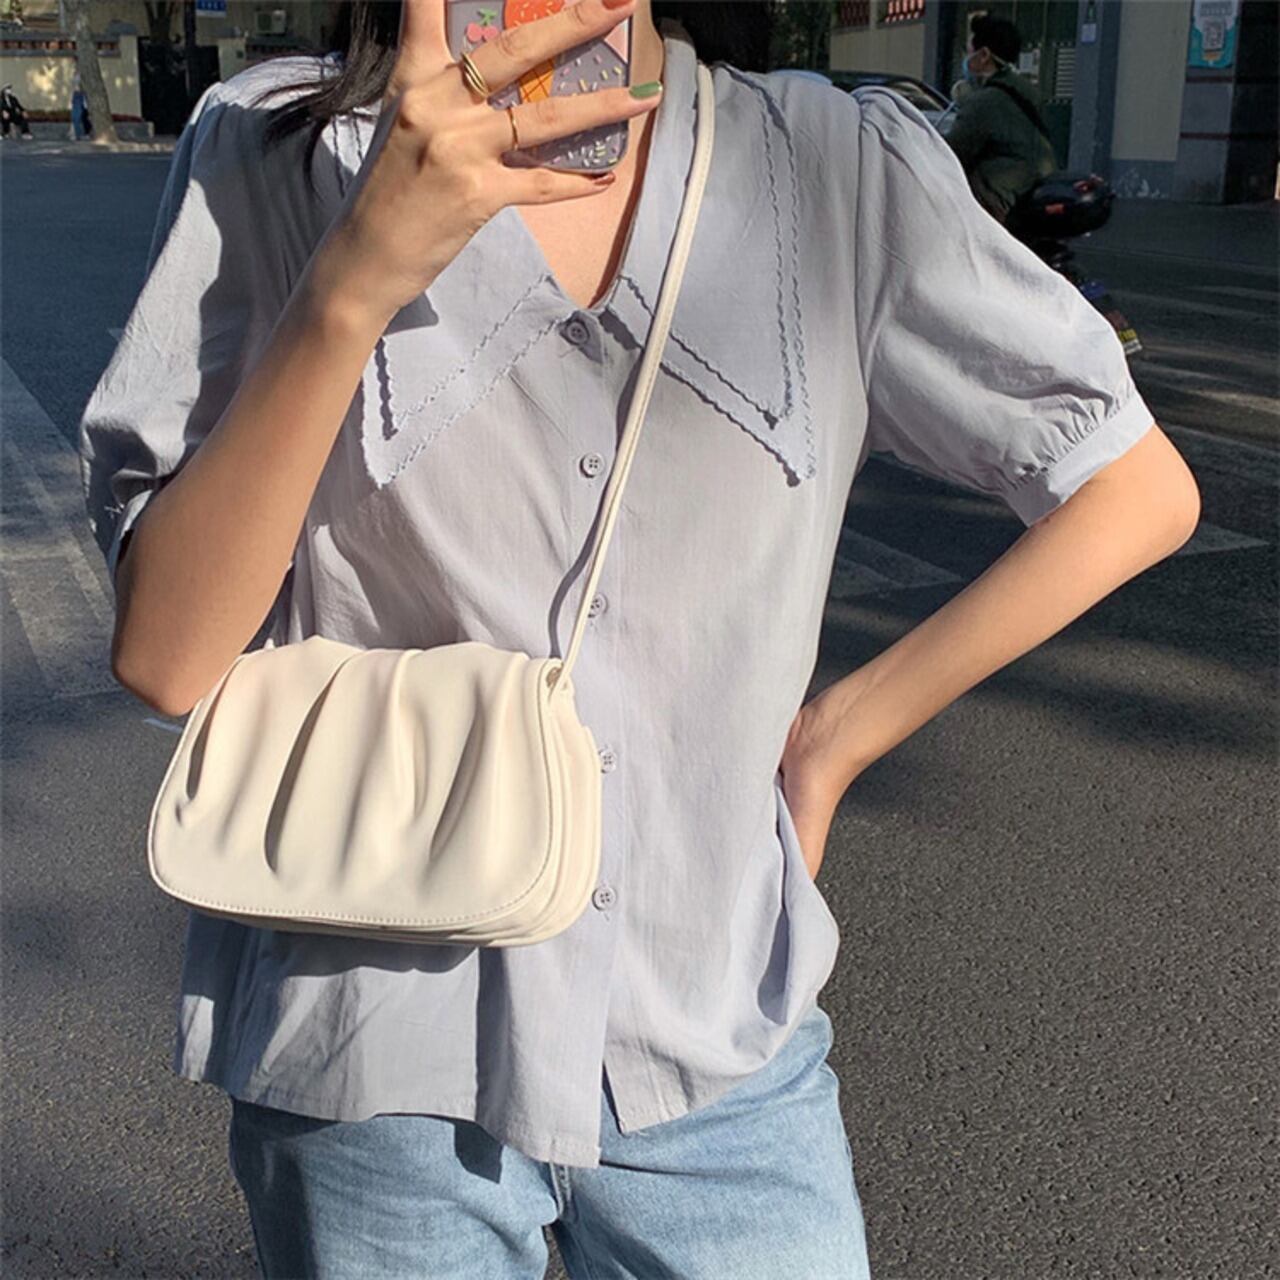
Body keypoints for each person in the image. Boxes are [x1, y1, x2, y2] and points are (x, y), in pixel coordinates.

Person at [77, 0, 1197, 1274]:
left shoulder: (829, 167)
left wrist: (833, 739)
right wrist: (356, 276)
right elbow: (167, 655)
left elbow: (1130, 486)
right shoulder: (275, 145)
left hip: (713, 1047)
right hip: (373, 1052)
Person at [945, 12, 1057, 225]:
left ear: (984, 55)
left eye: (969, 51)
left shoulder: (984, 101)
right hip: (1035, 183)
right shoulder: (1027, 91)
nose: (966, 59)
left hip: (998, 193)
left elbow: (953, 152)